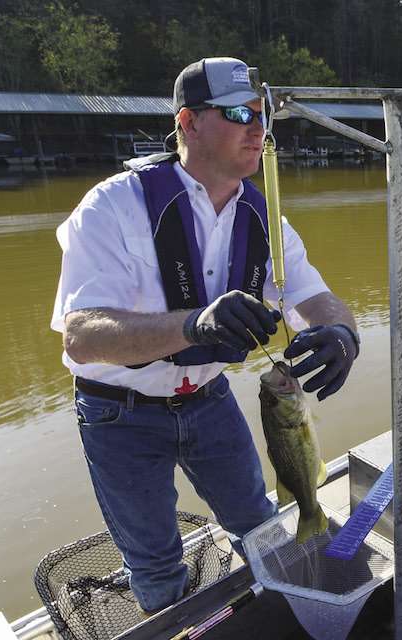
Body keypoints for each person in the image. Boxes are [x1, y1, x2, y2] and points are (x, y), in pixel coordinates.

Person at [50, 57, 360, 614]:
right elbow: (81, 336)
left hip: (209, 400)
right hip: (119, 413)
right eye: (239, 113)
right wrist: (194, 324)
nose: (256, 128)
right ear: (188, 122)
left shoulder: (265, 217)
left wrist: (339, 332)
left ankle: (287, 613)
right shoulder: (114, 206)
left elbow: (316, 299)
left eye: (263, 115)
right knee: (154, 561)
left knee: (259, 524)